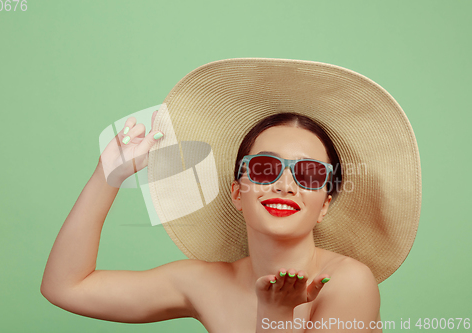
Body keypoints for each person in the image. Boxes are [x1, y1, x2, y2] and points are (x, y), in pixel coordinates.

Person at [41, 58, 421, 333]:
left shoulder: (348, 282)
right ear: (238, 192)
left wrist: (276, 317)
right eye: (265, 169)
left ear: (325, 204)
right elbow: (66, 287)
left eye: (308, 174)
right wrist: (107, 177)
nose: (285, 184)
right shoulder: (204, 282)